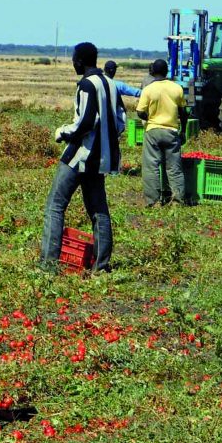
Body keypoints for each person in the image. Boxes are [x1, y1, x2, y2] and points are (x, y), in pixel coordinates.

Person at [40, 42, 125, 272]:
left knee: (55, 207)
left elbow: (86, 122)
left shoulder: (86, 85)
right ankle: (101, 265)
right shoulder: (111, 83)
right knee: (99, 211)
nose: (73, 63)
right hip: (101, 160)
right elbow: (121, 120)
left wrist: (63, 132)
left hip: (80, 157)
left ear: (79, 60)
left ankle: (48, 265)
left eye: (74, 59)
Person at [136, 58, 188, 206]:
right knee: (174, 168)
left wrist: (149, 118)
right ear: (166, 71)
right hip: (171, 131)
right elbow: (183, 112)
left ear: (153, 72)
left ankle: (153, 202)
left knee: (151, 167)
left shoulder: (148, 89)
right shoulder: (176, 88)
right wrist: (183, 130)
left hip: (153, 131)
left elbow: (140, 112)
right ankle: (177, 200)